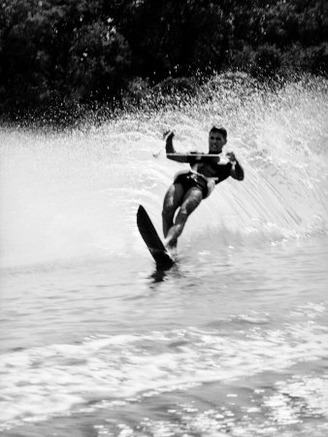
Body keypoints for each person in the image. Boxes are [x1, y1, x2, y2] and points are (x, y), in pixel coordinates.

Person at [162, 126, 244, 251]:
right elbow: (171, 155)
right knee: (167, 211)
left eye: (218, 139)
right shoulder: (197, 155)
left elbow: (240, 176)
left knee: (183, 213)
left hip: (200, 186)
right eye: (212, 138)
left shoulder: (225, 164)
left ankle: (167, 241)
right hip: (183, 179)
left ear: (224, 142)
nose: (214, 141)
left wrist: (235, 162)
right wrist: (169, 139)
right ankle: (170, 249)